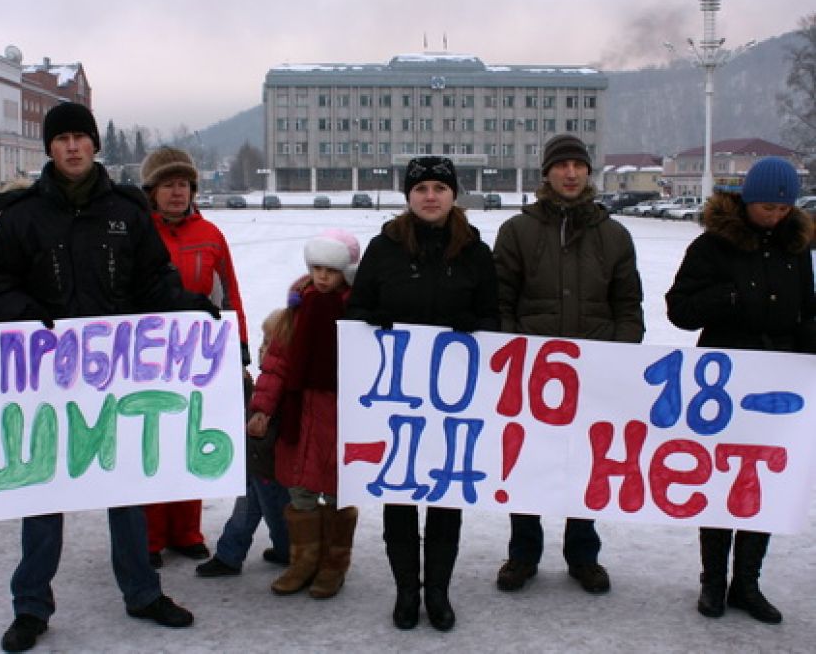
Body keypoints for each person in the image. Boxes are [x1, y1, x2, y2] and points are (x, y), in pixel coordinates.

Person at [0, 102, 219, 653]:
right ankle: (31, 605)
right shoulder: (21, 216)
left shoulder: (126, 211)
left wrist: (188, 304)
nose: (71, 147)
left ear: (93, 145)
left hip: (114, 378)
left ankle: (142, 592)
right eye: (60, 138)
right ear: (49, 148)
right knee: (44, 491)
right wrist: (25, 315)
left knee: (125, 490)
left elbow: (153, 280)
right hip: (45, 379)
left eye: (79, 137)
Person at [346, 156, 500, 631]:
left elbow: (494, 318)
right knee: (401, 494)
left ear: (454, 194)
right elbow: (356, 311)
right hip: (396, 397)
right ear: (407, 196)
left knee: (445, 495)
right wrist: (370, 320)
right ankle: (406, 591)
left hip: (453, 398)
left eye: (439, 187)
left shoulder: (475, 250)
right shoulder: (384, 247)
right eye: (421, 188)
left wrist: (476, 328)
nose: (430, 196)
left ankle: (438, 590)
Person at [492, 134, 644, 596]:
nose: (571, 173)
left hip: (594, 374)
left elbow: (628, 305)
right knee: (528, 463)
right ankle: (523, 554)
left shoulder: (613, 234)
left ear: (589, 173)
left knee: (586, 463)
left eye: (579, 165)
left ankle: (584, 555)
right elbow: (502, 300)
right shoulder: (518, 231)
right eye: (563, 166)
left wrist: (617, 355)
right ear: (547, 174)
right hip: (532, 375)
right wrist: (513, 352)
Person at [665, 157, 814, 624]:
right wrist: (727, 299)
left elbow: (807, 310)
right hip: (724, 381)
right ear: (748, 202)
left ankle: (747, 583)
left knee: (761, 484)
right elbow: (680, 309)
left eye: (783, 208)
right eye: (768, 207)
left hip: (779, 380)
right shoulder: (713, 245)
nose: (776, 215)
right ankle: (712, 582)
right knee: (722, 482)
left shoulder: (796, 247)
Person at [139, 147, 252, 567]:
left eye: (183, 184)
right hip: (147, 357)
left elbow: (231, 294)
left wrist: (237, 344)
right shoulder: (139, 233)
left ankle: (185, 530)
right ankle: (149, 536)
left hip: (198, 360)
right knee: (151, 442)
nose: (176, 192)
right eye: (168, 184)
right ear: (152, 191)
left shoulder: (211, 234)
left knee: (189, 438)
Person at [246, 229, 362, 600]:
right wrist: (262, 408)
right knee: (301, 493)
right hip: (299, 417)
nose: (323, 277)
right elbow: (276, 367)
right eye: (317, 268)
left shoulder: (357, 316)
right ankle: (302, 561)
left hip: (341, 421)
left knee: (336, 493)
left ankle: (333, 565)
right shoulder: (293, 315)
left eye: (331, 269)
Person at [196, 308, 291, 577]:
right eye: (262, 342)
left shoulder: (284, 387)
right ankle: (229, 555)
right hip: (255, 464)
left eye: (268, 344)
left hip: (271, 468)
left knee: (279, 518)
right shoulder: (265, 380)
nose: (262, 349)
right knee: (245, 513)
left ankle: (289, 551)